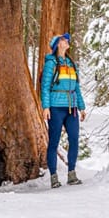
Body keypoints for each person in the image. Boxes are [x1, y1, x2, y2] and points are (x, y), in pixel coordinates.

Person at [40, 32, 86, 188]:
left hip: (71, 109)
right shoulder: (51, 63)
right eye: (63, 40)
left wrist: (81, 107)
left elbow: (76, 87)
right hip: (55, 108)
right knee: (54, 142)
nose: (67, 41)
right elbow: (45, 87)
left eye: (66, 40)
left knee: (74, 139)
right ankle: (53, 177)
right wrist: (46, 107)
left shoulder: (71, 63)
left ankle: (71, 174)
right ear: (58, 44)